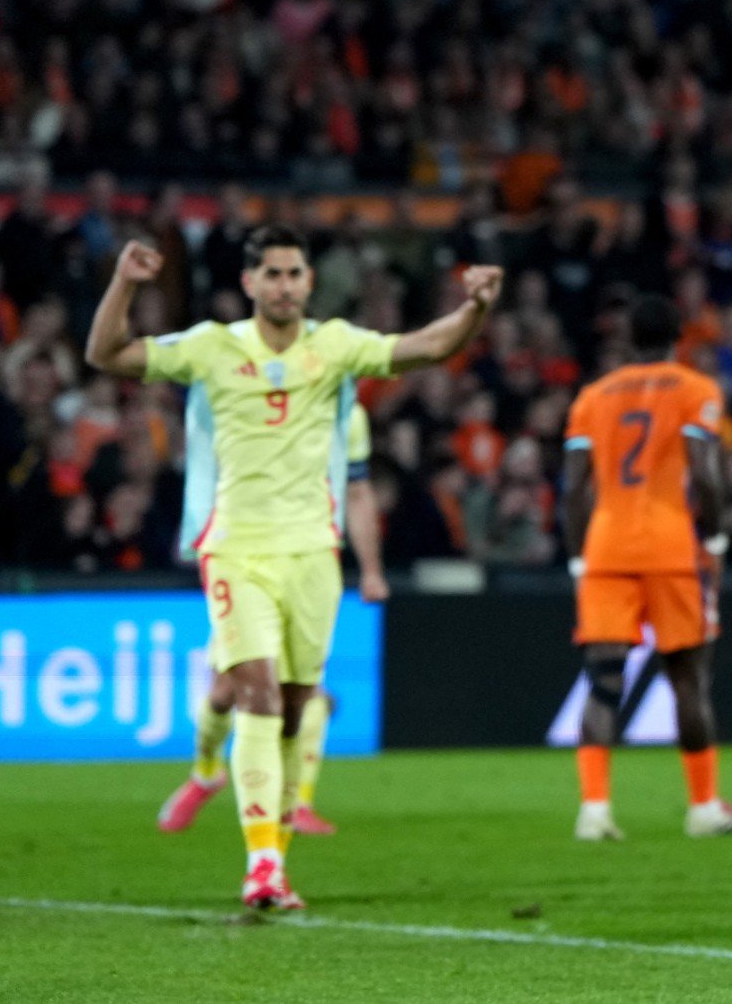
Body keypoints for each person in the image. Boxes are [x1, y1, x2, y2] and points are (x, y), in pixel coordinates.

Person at [86, 225, 502, 909]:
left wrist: (477, 307)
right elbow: (105, 352)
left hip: (313, 551)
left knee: (295, 710)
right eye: (271, 274)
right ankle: (261, 868)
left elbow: (430, 345)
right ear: (249, 283)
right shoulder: (211, 347)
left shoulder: (335, 344)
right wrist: (127, 283)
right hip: (236, 547)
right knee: (256, 691)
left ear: (309, 281)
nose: (283, 285)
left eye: (293, 273)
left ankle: (271, 858)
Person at [560, 294, 732, 842]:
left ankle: (594, 811)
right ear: (678, 337)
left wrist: (578, 555)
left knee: (602, 684)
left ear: (628, 337)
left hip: (606, 547)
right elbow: (705, 472)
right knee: (688, 680)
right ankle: (703, 807)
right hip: (670, 548)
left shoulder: (593, 397)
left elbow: (573, 486)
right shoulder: (697, 391)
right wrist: (713, 534)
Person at [156, 401, 389, 837]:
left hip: (309, 560)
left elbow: (357, 489)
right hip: (246, 557)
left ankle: (296, 805)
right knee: (226, 691)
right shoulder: (244, 393)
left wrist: (372, 570)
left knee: (306, 692)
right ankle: (206, 772)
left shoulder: (345, 413)